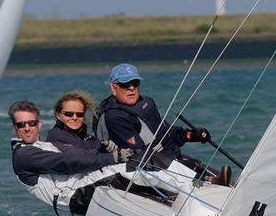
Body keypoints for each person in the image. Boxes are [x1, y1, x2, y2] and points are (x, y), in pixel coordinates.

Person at [93, 63, 231, 186]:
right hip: (150, 171)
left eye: (135, 83)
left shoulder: (147, 103)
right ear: (113, 87)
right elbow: (142, 155)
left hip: (175, 161)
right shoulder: (115, 116)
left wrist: (191, 135)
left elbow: (167, 133)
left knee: (232, 185)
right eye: (125, 84)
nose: (131, 88)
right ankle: (207, 180)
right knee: (155, 158)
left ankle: (213, 180)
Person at [9, 99, 132, 216]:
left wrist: (103, 150)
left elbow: (79, 154)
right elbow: (67, 163)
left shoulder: (46, 146)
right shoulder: (23, 155)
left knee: (139, 160)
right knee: (135, 167)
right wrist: (112, 158)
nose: (27, 128)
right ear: (14, 128)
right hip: (76, 195)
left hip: (89, 182)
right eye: (20, 125)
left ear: (38, 125)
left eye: (31, 123)